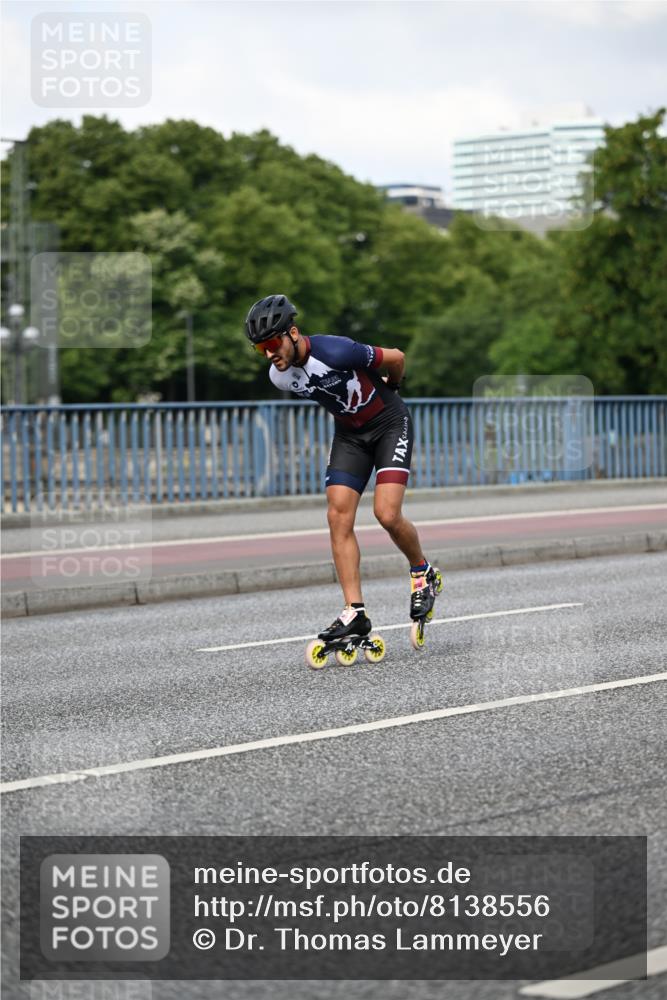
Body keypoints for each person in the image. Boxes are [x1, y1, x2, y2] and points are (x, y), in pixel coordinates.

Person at [245, 293, 442, 644]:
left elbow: (397, 357)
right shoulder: (280, 377)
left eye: (272, 343)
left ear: (292, 332)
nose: (269, 354)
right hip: (350, 437)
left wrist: (392, 389)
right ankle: (354, 612)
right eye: (260, 349)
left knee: (386, 513)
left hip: (390, 424)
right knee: (337, 516)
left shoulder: (337, 351)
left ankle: (422, 572)